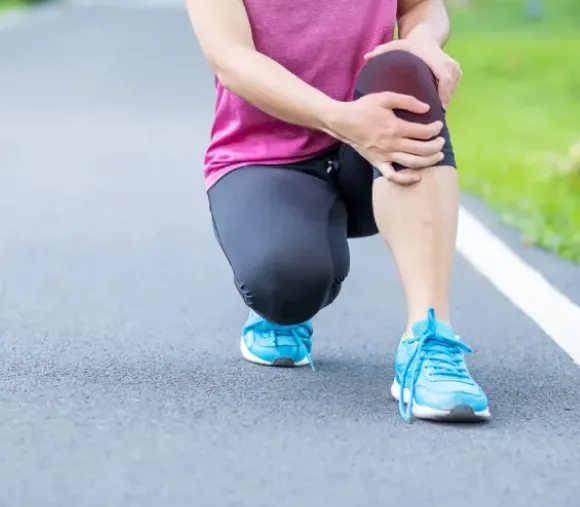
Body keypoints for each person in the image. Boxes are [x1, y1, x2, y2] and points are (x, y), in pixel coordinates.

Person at [184, 0, 490, 423]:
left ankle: (430, 339)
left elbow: (422, 7)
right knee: (284, 285)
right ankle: (289, 285)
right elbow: (230, 58)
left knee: (405, 68)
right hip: (268, 156)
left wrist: (422, 39)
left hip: (373, 144)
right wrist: (341, 120)